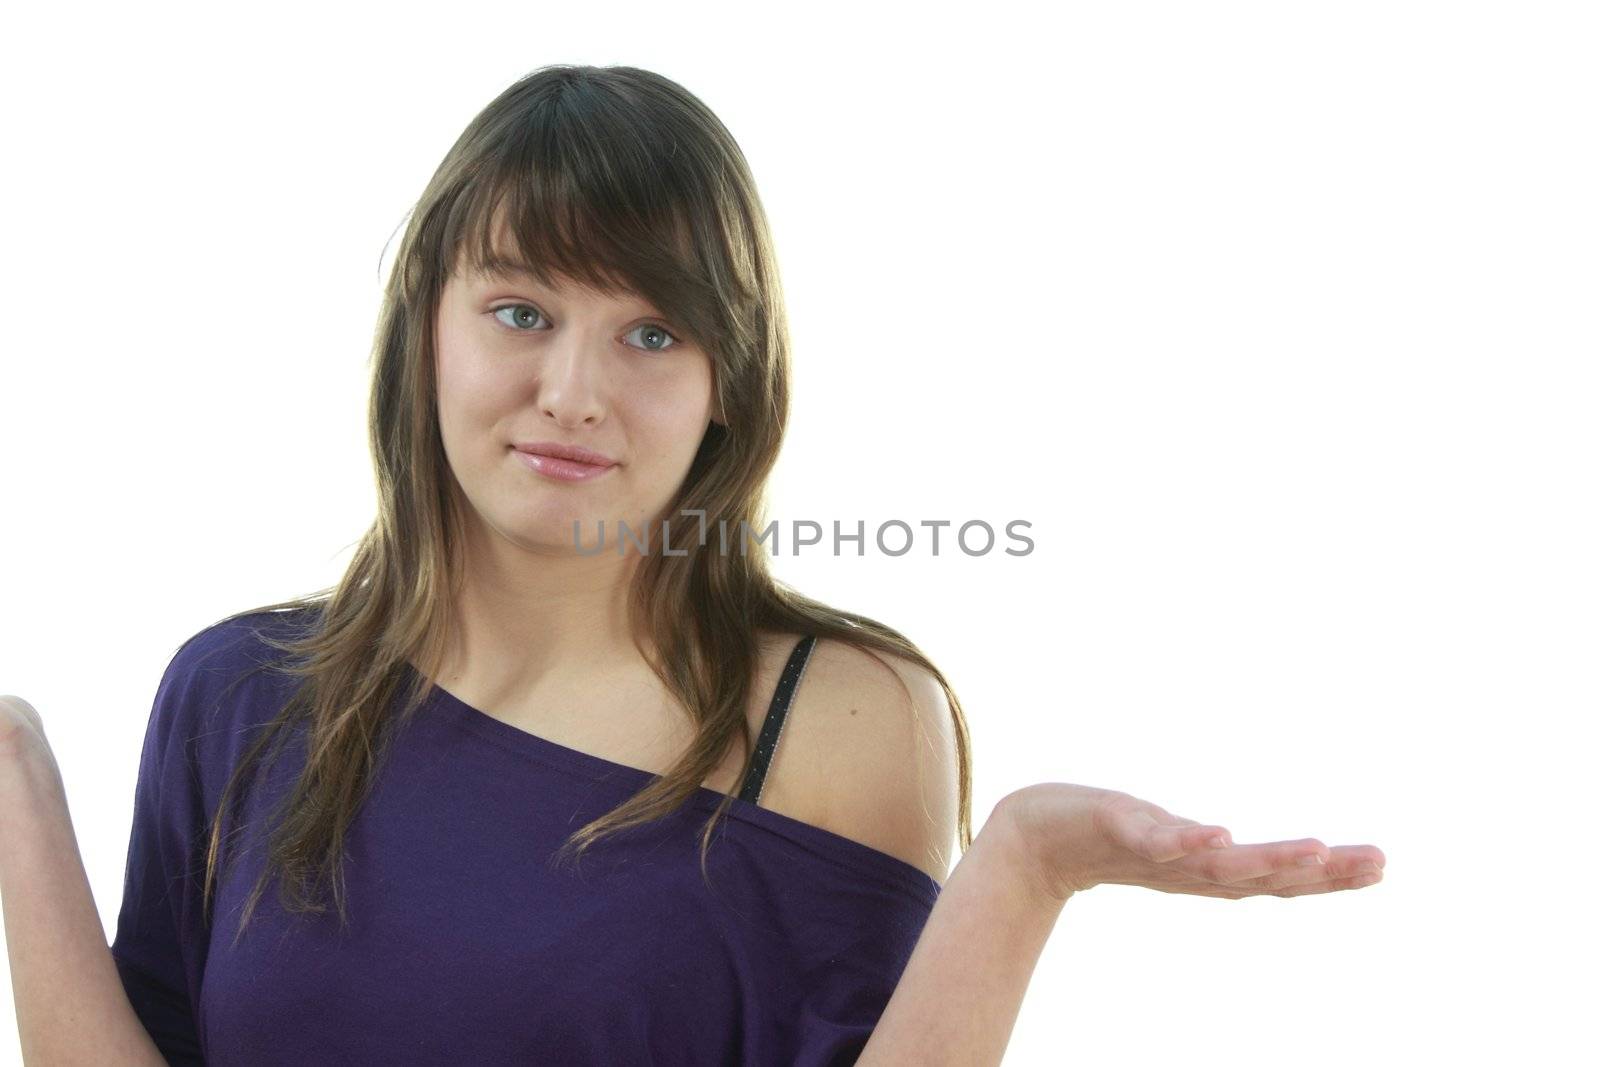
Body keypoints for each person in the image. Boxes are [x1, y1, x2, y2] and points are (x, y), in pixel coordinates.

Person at [0, 63, 1386, 1065]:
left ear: (731, 380)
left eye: (653, 333)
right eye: (521, 310)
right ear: (428, 326)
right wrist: (18, 789)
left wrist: (1021, 870)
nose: (573, 390)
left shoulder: (835, 717)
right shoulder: (244, 692)